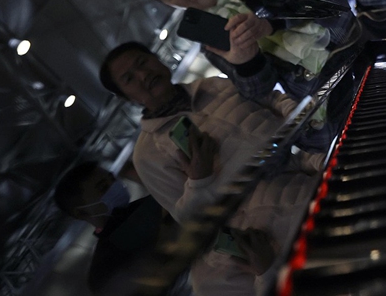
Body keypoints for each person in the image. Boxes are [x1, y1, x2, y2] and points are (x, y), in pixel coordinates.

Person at [99, 43, 322, 294]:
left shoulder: (213, 85)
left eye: (142, 62)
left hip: (310, 184)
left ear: (157, 59)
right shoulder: (147, 154)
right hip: (273, 232)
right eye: (129, 78)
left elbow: (270, 98)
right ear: (126, 97)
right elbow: (189, 219)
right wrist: (199, 179)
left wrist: (299, 118)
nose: (143, 75)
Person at [136, 0, 356, 110]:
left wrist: (272, 21)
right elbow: (257, 91)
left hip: (353, 46)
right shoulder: (211, 42)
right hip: (325, 100)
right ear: (170, 5)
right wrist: (247, 63)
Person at [53, 162, 254, 296]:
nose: (114, 187)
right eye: (101, 187)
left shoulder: (158, 201)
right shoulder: (103, 271)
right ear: (81, 213)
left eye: (112, 180)